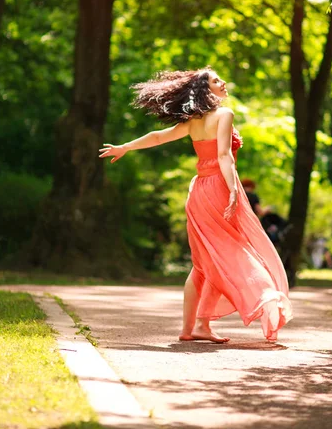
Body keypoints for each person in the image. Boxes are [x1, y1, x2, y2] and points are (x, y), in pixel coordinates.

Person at [99, 67, 293, 343]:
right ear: (205, 90)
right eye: (216, 80)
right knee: (233, 253)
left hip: (199, 191)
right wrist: (234, 192)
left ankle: (193, 328)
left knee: (203, 263)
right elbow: (224, 156)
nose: (223, 82)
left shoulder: (193, 121)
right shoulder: (224, 115)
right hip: (218, 188)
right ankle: (264, 296)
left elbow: (157, 137)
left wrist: (126, 147)